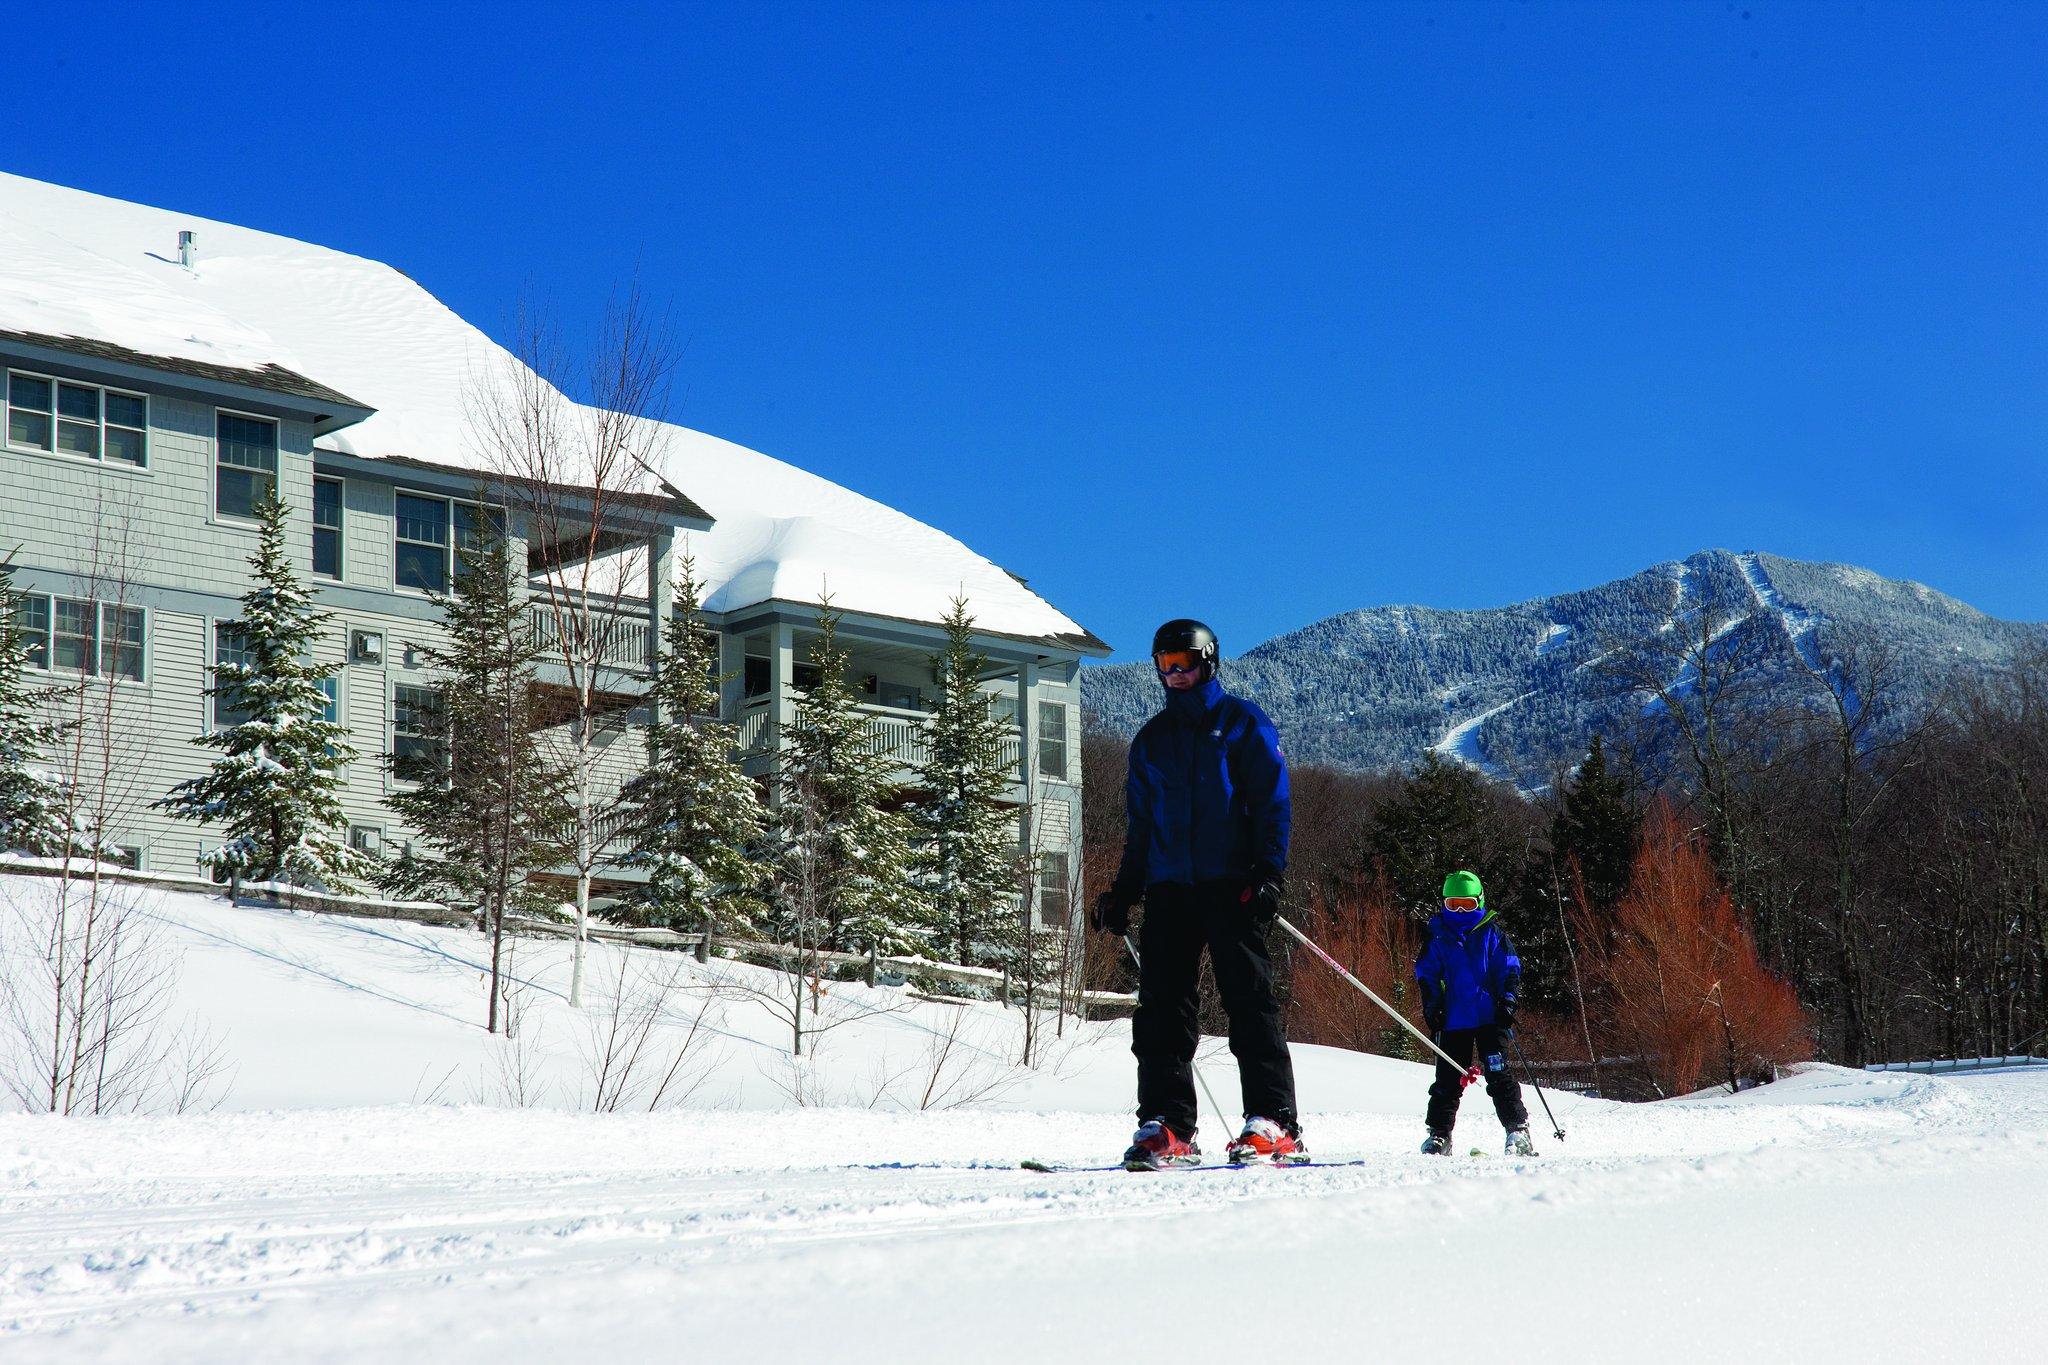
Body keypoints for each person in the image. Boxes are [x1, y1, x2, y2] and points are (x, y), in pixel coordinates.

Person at [1090, 619, 1301, 1170]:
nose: (1174, 674)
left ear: (1208, 661)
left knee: (1248, 1002)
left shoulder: (1242, 723)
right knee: (1160, 1010)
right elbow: (1142, 826)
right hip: (1169, 889)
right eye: (1164, 665)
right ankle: (1168, 1125)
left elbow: (1272, 804)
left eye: (1183, 663)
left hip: (1232, 886)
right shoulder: (1152, 740)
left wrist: (1268, 873)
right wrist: (1124, 890)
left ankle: (1272, 1121)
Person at [1415, 870, 1535, 1156]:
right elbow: (1427, 974)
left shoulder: (1492, 933)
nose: (1459, 911)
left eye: (1467, 904)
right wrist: (1433, 1006)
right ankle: (1439, 1134)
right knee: (1447, 1079)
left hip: (1489, 1017)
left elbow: (1509, 968)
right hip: (1454, 1019)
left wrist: (1508, 1001)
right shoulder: (1437, 936)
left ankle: (1518, 1131)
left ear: (1479, 902)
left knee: (1498, 1073)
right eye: (1453, 904)